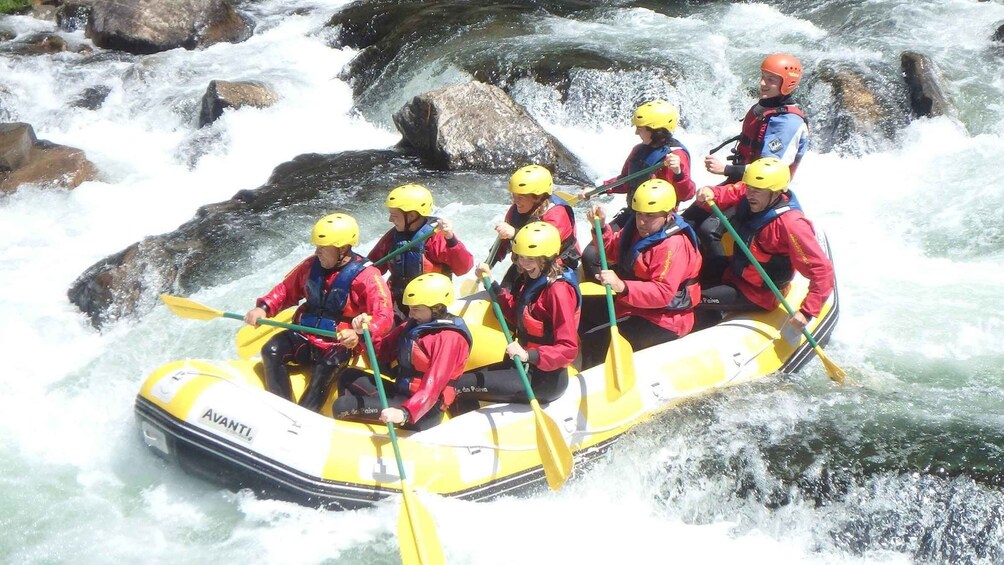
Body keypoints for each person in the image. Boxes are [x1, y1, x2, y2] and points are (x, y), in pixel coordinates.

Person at [243, 213, 394, 412]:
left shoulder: (367, 276)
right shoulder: (310, 265)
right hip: (305, 334)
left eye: (323, 248)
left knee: (326, 368)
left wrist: (358, 333)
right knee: (270, 350)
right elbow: (286, 290)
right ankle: (281, 408)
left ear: (342, 249)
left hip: (339, 342)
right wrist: (263, 307)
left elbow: (384, 316)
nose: (317, 251)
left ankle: (303, 415)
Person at [690, 53, 809, 284]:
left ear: (787, 84)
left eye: (771, 80)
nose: (763, 84)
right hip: (740, 184)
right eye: (763, 77)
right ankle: (685, 269)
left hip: (762, 191)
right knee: (692, 217)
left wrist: (726, 170)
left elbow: (769, 172)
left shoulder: (788, 123)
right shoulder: (762, 109)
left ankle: (715, 281)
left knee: (710, 229)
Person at [694, 157, 834, 333]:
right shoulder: (753, 192)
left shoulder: (792, 224)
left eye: (757, 190)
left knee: (690, 299)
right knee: (687, 277)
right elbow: (731, 192)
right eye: (750, 187)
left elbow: (822, 269)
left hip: (759, 294)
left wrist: (807, 312)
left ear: (775, 193)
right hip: (736, 272)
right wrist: (711, 191)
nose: (750, 193)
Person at [579, 179, 702, 369]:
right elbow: (611, 252)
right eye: (639, 214)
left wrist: (623, 286)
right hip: (634, 306)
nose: (642, 221)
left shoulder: (673, 245)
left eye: (650, 216)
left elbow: (663, 293)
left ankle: (594, 378)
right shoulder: (637, 231)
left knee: (596, 339)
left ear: (669, 215)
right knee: (579, 308)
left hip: (666, 319)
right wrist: (602, 227)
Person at [455, 222, 580, 405]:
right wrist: (492, 284)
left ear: (546, 258)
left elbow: (568, 349)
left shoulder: (558, 291)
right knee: (459, 381)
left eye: (530, 259)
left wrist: (529, 356)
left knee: (458, 387)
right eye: (520, 257)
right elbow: (518, 315)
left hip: (542, 379)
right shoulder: (533, 278)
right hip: (521, 365)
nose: (523, 263)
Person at [332, 273, 472, 431]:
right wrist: (363, 333)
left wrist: (405, 413)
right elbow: (382, 352)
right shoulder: (415, 325)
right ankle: (360, 428)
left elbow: (434, 386)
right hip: (401, 394)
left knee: (342, 406)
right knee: (348, 375)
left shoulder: (450, 338)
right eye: (410, 308)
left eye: (416, 309)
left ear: (437, 308)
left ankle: (354, 431)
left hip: (424, 410)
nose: (410, 314)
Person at [581, 99, 695, 279]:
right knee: (590, 255)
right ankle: (610, 292)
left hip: (656, 218)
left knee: (596, 256)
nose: (636, 132)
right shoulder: (638, 150)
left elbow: (687, 194)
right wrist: (597, 190)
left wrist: (679, 172)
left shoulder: (676, 155)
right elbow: (626, 181)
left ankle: (623, 288)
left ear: (656, 130)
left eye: (640, 128)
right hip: (634, 212)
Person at [368, 183, 473, 321]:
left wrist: (451, 239)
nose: (390, 220)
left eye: (394, 215)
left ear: (411, 216)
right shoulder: (393, 236)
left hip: (429, 308)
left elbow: (464, 268)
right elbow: (372, 266)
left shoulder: (435, 238)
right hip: (399, 303)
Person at [491, 164, 580, 287]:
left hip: (553, 267)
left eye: (520, 197)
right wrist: (490, 263)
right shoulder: (515, 210)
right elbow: (504, 242)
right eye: (514, 195)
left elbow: (543, 246)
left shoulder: (557, 215)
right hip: (525, 263)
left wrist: (514, 234)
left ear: (538, 198)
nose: (515, 201)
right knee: (505, 293)